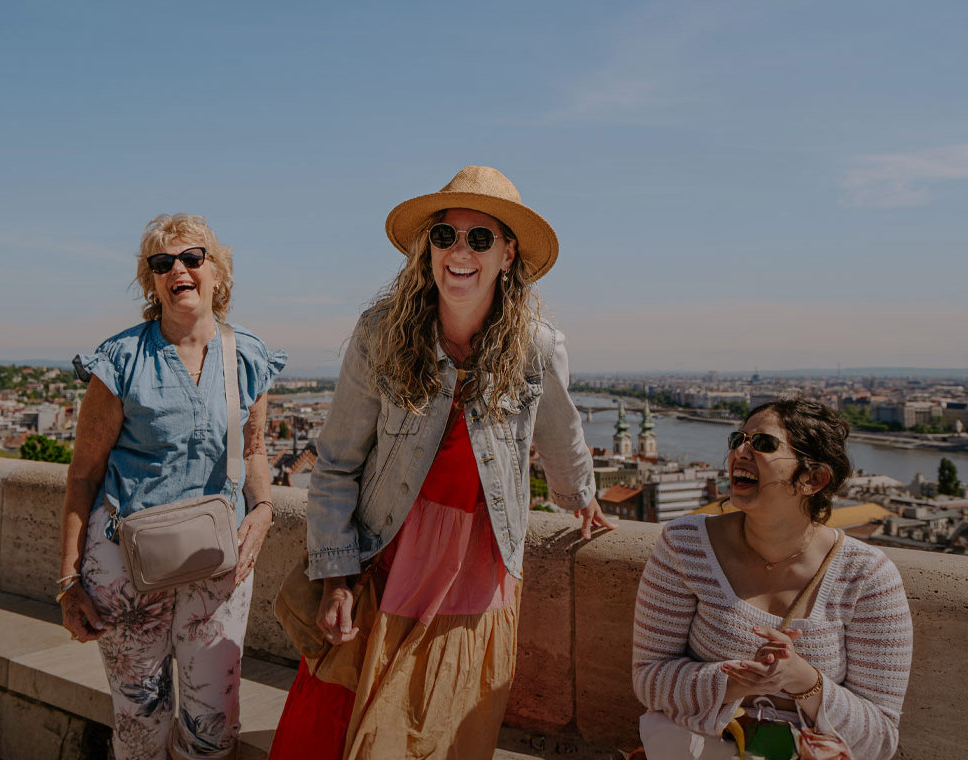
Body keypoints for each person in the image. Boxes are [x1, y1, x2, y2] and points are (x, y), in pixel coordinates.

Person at [270, 165, 612, 759]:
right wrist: (334, 573)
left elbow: (562, 431)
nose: (460, 251)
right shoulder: (381, 332)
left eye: (480, 239)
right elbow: (336, 463)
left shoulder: (536, 343)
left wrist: (579, 494)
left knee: (438, 732)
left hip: (476, 563)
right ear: (425, 250)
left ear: (508, 256)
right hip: (389, 552)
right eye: (445, 236)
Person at [56, 213, 288, 759]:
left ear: (217, 272)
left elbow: (253, 449)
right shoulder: (121, 360)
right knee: (139, 717)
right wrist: (69, 582)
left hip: (218, 557)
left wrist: (265, 508)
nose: (177, 269)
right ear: (151, 281)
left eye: (191, 258)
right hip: (124, 560)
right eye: (162, 264)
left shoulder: (247, 354)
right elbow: (83, 475)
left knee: (214, 722)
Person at [632, 397, 913, 760]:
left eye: (762, 444)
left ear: (813, 479)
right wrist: (734, 680)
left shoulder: (868, 576)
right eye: (737, 440)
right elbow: (649, 679)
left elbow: (879, 741)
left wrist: (802, 681)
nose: (740, 452)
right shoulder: (684, 546)